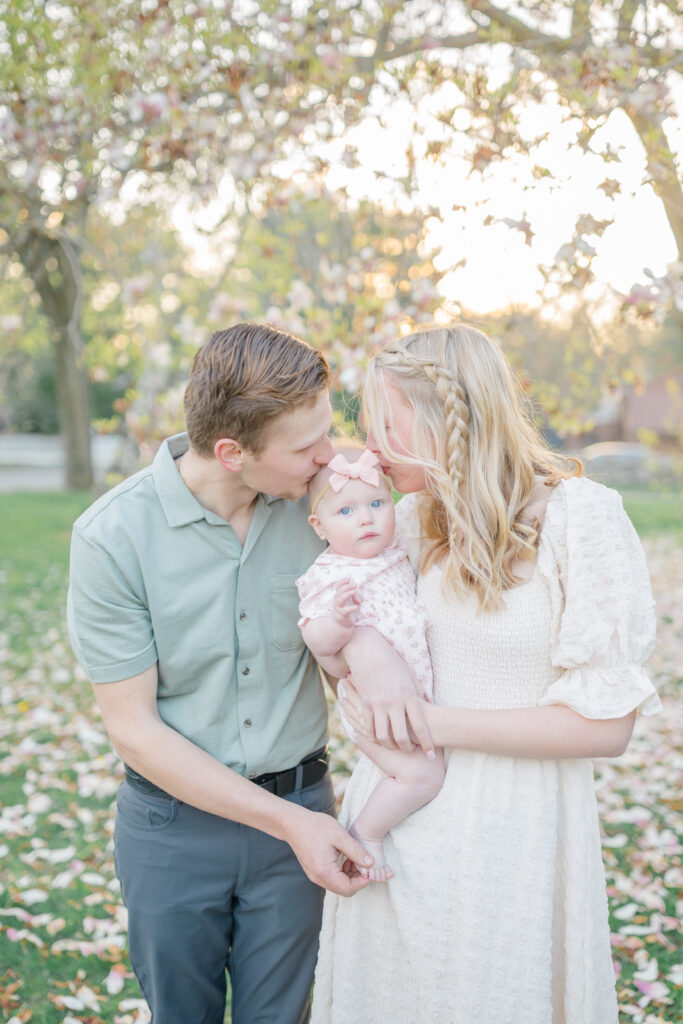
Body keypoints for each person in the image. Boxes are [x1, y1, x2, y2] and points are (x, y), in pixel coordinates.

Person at [311, 323, 661, 1024]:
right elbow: (340, 628)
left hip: (517, 827)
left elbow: (607, 725)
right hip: (399, 818)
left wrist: (433, 723)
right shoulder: (408, 522)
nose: (370, 448)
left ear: (444, 417)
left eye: (385, 423)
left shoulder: (578, 518)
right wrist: (365, 659)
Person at [67, 322, 383, 1024]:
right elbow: (134, 730)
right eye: (306, 447)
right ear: (233, 452)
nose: (328, 456)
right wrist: (286, 824)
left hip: (301, 804)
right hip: (172, 830)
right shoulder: (112, 537)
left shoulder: (321, 509)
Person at [296, 445, 445, 881]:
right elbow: (313, 637)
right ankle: (366, 833)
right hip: (372, 706)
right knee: (424, 776)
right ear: (319, 526)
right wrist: (340, 623)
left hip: (412, 692)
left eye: (377, 504)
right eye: (346, 511)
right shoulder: (329, 576)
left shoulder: (396, 550)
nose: (366, 519)